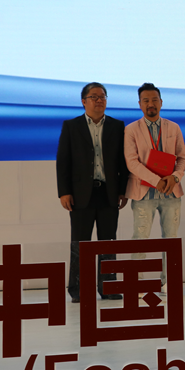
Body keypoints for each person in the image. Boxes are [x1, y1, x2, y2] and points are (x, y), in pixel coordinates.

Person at [56, 82, 128, 303]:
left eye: (102, 96)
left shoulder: (117, 126)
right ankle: (78, 289)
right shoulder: (71, 126)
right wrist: (64, 192)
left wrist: (123, 190)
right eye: (94, 97)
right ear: (83, 101)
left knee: (108, 242)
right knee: (80, 244)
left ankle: (108, 287)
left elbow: (122, 161)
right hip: (80, 194)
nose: (99, 100)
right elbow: (63, 161)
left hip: (108, 192)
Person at [124, 83, 185, 293]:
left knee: (171, 239)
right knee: (140, 239)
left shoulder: (173, 127)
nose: (150, 104)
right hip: (144, 192)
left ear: (161, 102)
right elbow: (132, 162)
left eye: (154, 100)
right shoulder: (131, 129)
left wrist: (175, 177)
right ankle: (137, 283)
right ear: (140, 104)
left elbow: (182, 158)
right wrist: (155, 180)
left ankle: (168, 282)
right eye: (146, 100)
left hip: (171, 191)